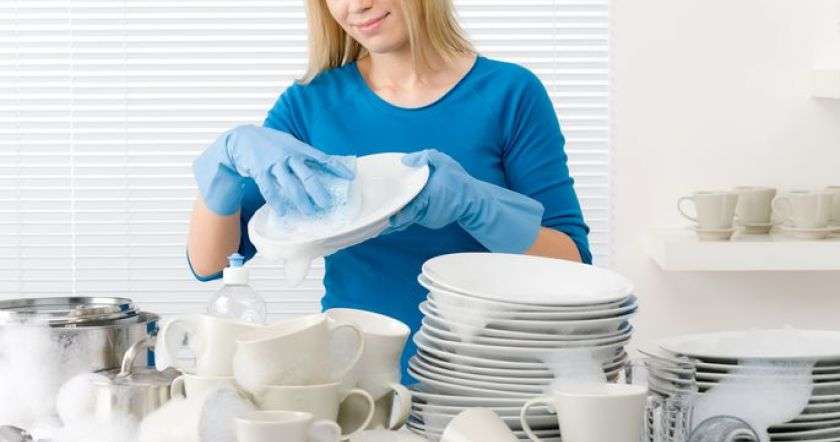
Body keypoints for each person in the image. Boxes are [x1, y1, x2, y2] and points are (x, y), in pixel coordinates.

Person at [187, 0, 591, 382]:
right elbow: (213, 263)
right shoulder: (309, 104)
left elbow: (573, 265)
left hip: (491, 379)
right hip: (356, 379)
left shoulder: (510, 93)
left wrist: (477, 206)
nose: (356, 5)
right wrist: (224, 167)